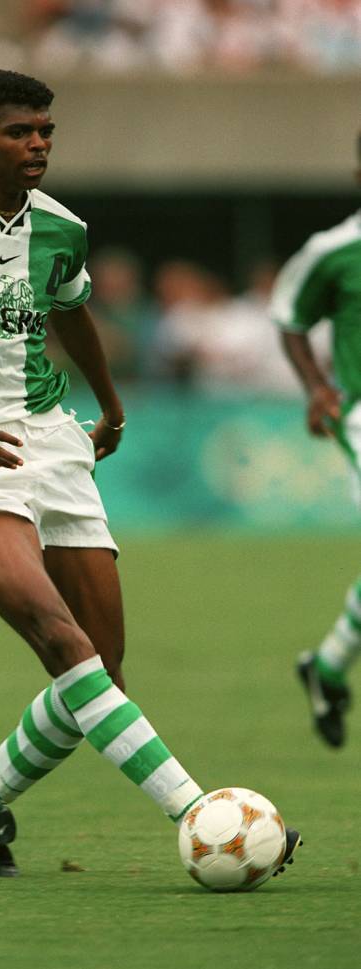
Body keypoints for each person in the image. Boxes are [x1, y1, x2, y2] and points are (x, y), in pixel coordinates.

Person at [0, 68, 300, 878]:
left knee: (100, 675)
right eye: (19, 132)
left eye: (45, 130)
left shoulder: (63, 228)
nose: (38, 143)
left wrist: (109, 406)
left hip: (54, 444)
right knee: (59, 639)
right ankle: (199, 810)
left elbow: (71, 308)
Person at [270, 141, 361, 748]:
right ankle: (326, 669)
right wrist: (316, 388)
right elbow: (289, 316)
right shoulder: (334, 252)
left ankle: (326, 667)